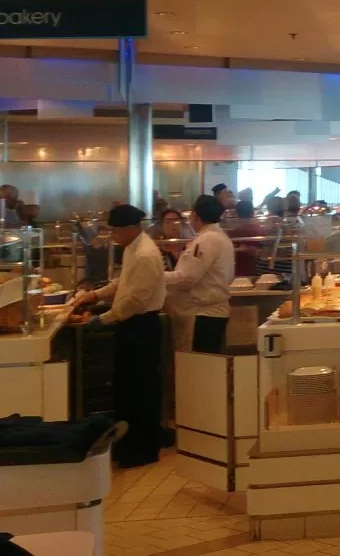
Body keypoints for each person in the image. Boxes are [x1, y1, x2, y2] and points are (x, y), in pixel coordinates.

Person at [71, 205, 166, 467]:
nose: (113, 236)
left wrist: (103, 319)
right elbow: (122, 283)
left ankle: (142, 450)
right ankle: (128, 446)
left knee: (141, 391)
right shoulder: (132, 248)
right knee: (127, 389)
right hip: (131, 325)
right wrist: (94, 295)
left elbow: (136, 300)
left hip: (141, 326)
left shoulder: (145, 253)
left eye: (115, 231)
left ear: (131, 228)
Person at [165, 196, 236, 354]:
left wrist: (156, 276)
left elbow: (187, 278)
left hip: (204, 316)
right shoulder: (219, 237)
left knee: (199, 365)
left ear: (196, 215)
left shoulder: (206, 240)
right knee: (207, 363)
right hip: (212, 313)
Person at [226, 199, 272, 277]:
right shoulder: (262, 230)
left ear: (236, 214)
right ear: (253, 213)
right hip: (260, 273)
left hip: (238, 274)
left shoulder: (232, 233)